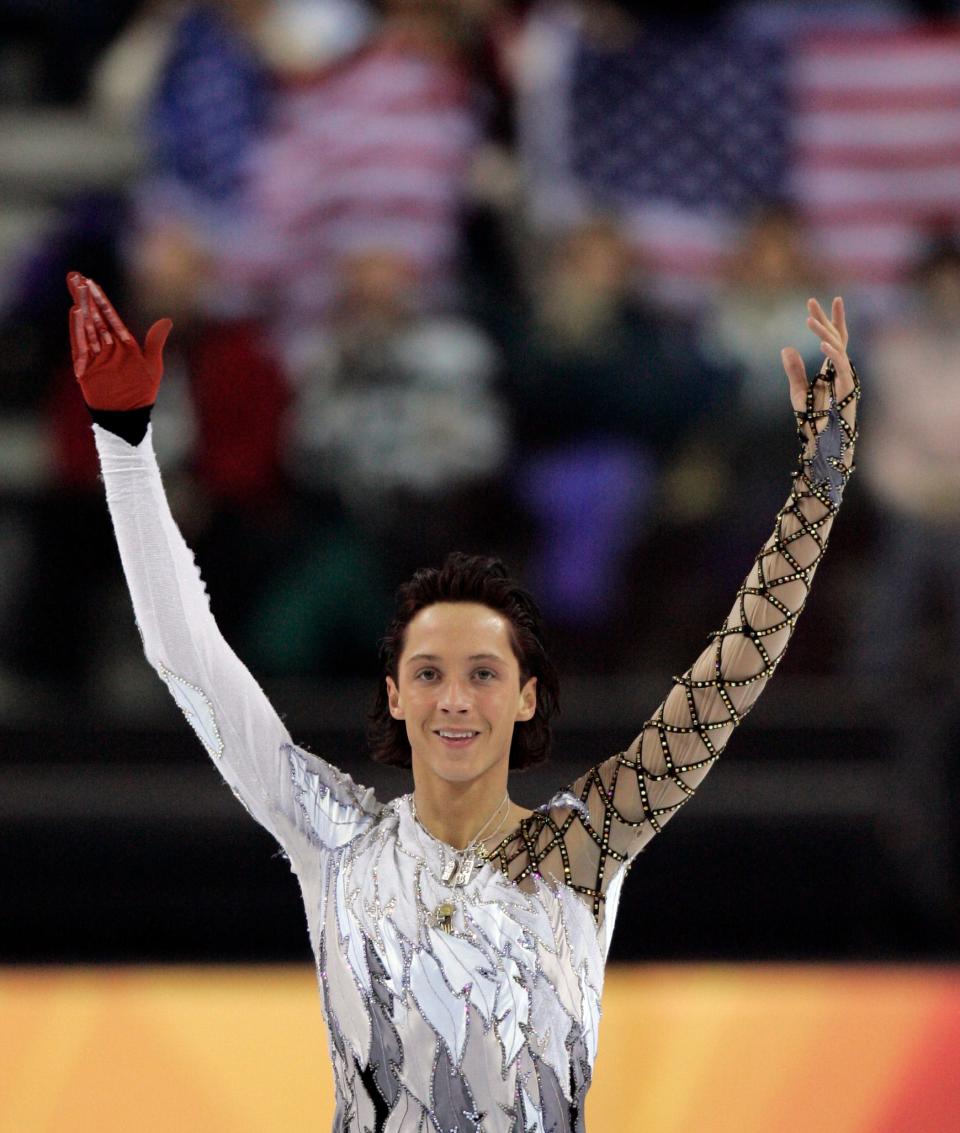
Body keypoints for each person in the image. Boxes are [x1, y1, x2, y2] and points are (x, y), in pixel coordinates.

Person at [67, 270, 858, 1131]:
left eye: (483, 672)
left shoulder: (580, 850)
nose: (455, 698)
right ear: (395, 695)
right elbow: (187, 658)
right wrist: (125, 444)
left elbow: (725, 682)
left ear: (525, 697)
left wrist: (817, 491)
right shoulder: (334, 839)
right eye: (430, 672)